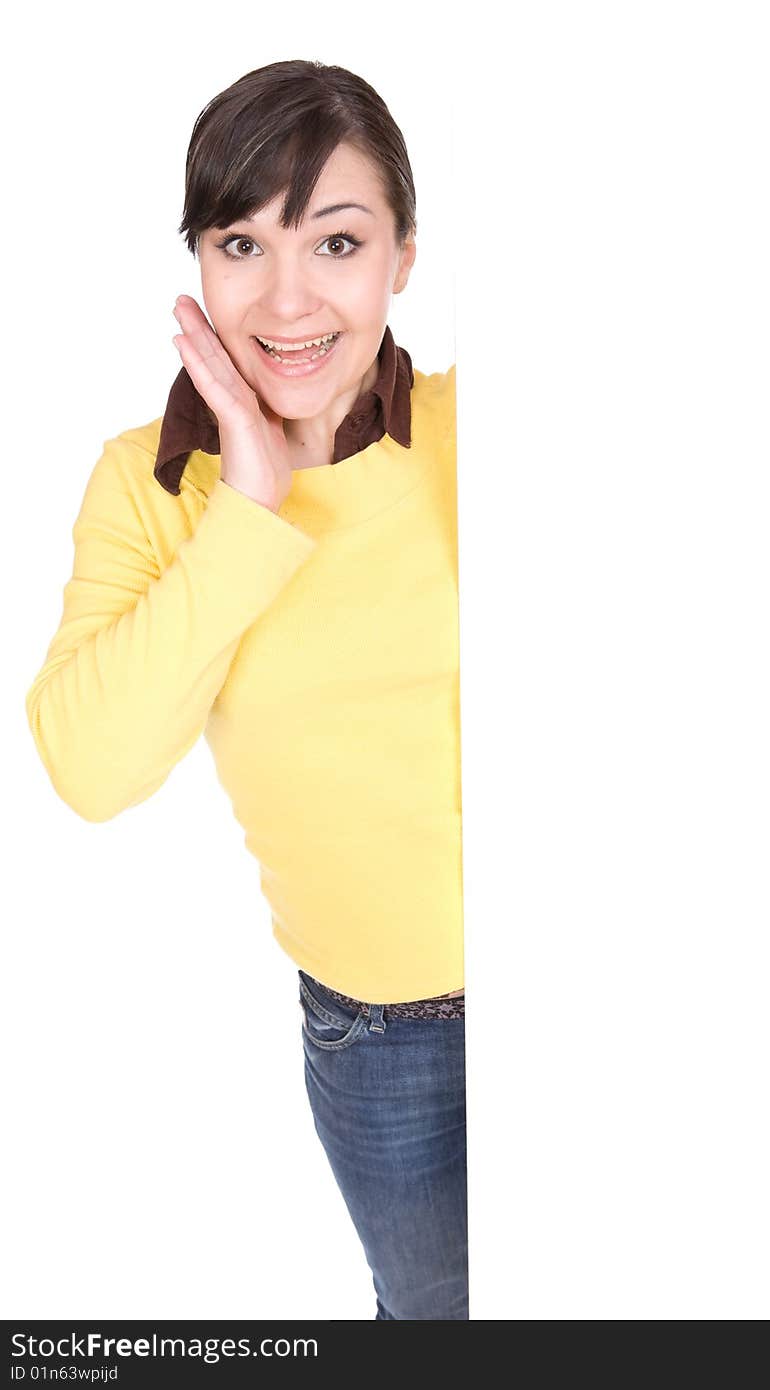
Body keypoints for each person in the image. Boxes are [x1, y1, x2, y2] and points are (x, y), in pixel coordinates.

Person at [24, 59, 466, 1321]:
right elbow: (90, 770)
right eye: (239, 241)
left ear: (403, 258)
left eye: (336, 240)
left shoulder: (486, 433)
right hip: (383, 1034)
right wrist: (250, 511)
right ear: (199, 263)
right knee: (438, 1318)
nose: (285, 299)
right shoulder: (149, 485)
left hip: (601, 970)